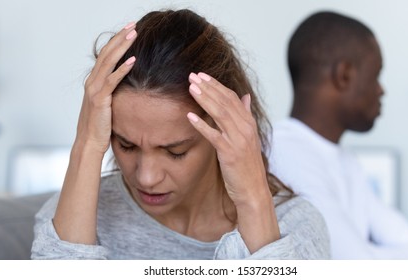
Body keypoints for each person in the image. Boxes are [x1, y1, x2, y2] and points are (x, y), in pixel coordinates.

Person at [31, 9, 329, 259]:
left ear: (223, 128)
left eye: (175, 151)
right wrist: (86, 145)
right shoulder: (74, 213)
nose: (146, 177)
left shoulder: (295, 226)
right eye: (126, 145)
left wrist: (252, 199)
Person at [269, 11, 408, 259]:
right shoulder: (284, 152)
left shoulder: (345, 160)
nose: (381, 91)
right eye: (376, 75)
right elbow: (353, 265)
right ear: (343, 75)